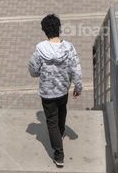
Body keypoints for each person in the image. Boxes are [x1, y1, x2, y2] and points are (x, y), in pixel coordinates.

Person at [28, 14, 83, 167]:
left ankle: (59, 154)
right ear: (59, 28)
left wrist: (38, 73)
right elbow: (76, 69)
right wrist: (78, 87)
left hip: (47, 92)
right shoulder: (69, 47)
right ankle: (61, 132)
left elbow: (33, 69)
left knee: (51, 121)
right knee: (62, 111)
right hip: (63, 90)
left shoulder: (40, 48)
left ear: (44, 30)